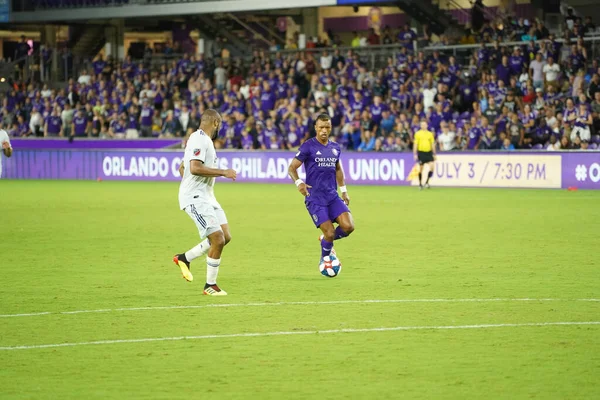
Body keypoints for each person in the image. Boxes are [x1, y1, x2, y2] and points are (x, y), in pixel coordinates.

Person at [173, 109, 237, 296]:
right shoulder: (200, 138)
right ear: (215, 123)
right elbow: (194, 168)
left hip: (207, 196)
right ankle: (210, 285)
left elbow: (183, 167)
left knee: (225, 236)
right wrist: (223, 172)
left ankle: (185, 258)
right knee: (217, 239)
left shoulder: (201, 140)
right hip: (195, 197)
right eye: (220, 124)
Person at [288, 113, 354, 265]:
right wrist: (299, 182)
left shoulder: (335, 148)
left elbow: (338, 169)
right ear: (316, 128)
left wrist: (343, 190)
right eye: (321, 127)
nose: (324, 130)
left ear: (330, 128)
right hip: (315, 198)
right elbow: (292, 168)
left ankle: (325, 240)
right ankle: (325, 260)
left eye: (327, 127)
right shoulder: (308, 146)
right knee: (330, 232)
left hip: (332, 196)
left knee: (349, 226)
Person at [413, 121, 436, 190]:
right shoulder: (417, 134)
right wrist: (415, 154)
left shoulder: (430, 134)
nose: (423, 126)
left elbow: (432, 144)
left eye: (425, 125)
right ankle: (420, 184)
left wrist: (434, 153)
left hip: (428, 153)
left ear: (427, 125)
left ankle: (427, 182)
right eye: (422, 125)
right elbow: (415, 144)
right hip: (421, 153)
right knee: (421, 169)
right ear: (420, 126)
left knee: (432, 167)